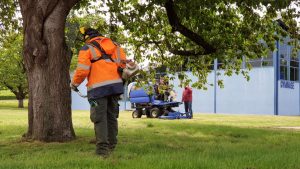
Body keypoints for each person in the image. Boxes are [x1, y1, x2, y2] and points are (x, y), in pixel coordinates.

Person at [70, 27, 127, 158]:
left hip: (98, 89)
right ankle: (112, 146)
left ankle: (102, 150)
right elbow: (123, 64)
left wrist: (74, 84)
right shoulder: (115, 45)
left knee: (99, 118)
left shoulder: (87, 48)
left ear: (87, 38)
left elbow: (83, 70)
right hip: (115, 87)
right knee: (111, 117)